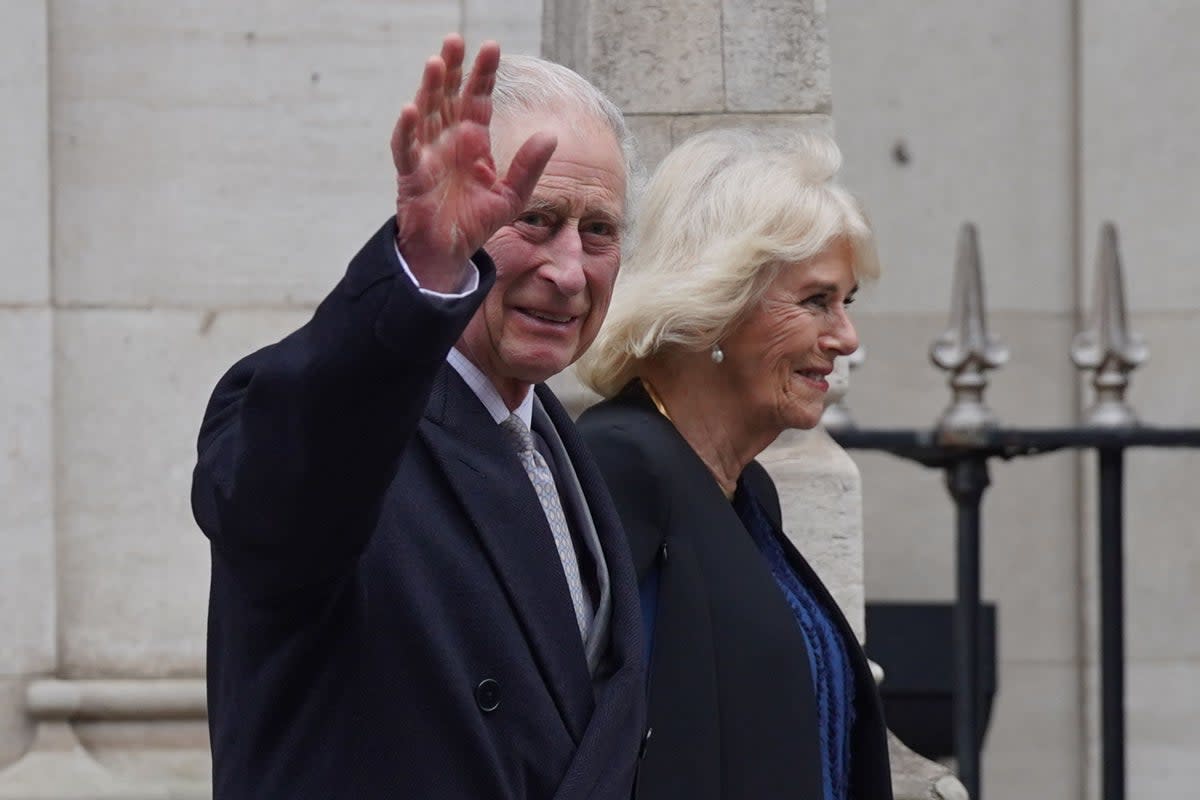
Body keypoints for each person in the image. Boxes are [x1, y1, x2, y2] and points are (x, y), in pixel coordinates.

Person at [191, 35, 647, 799]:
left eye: (597, 231)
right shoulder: (325, 417)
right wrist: (421, 275)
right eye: (533, 220)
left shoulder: (561, 445)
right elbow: (289, 486)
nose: (569, 271)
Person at [574, 128, 893, 800]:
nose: (846, 337)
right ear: (718, 305)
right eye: (816, 301)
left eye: (847, 303)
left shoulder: (745, 490)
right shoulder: (624, 464)